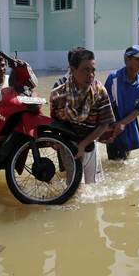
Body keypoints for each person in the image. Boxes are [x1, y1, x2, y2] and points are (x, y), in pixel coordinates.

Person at [49, 49, 115, 183]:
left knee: (92, 186)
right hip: (68, 146)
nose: (90, 75)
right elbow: (55, 123)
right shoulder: (58, 95)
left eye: (93, 70)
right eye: (85, 70)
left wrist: (83, 144)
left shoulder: (100, 92)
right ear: (72, 70)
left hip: (90, 144)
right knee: (74, 189)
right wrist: (55, 141)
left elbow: (104, 123)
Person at [104, 45, 139, 160]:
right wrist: (108, 129)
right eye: (138, 59)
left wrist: (124, 122)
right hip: (114, 127)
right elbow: (105, 105)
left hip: (129, 125)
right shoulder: (114, 79)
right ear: (127, 60)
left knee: (126, 160)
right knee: (115, 162)